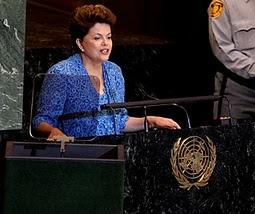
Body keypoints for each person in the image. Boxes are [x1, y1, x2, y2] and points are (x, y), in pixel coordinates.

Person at [32, 4, 181, 140]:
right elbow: (41, 121)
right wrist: (53, 131)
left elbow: (120, 121)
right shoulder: (62, 73)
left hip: (113, 154)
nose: (106, 43)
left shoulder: (114, 72)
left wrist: (152, 121)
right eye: (97, 38)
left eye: (108, 37)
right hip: (77, 156)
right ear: (80, 43)